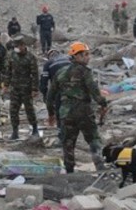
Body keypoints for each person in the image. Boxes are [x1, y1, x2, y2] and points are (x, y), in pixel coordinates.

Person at [47, 42, 108, 173]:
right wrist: (103, 104)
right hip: (83, 111)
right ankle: (100, 168)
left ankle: (69, 171)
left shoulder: (60, 73)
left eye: (88, 54)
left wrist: (51, 114)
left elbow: (50, 96)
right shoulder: (85, 72)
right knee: (93, 139)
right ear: (76, 56)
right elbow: (94, 92)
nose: (88, 57)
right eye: (85, 55)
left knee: (68, 143)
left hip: (65, 113)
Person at [3, 35, 39, 140]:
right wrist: (6, 85)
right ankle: (15, 132)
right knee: (13, 110)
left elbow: (35, 74)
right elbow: (8, 71)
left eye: (19, 46)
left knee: (29, 109)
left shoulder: (30, 57)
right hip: (15, 88)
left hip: (26, 88)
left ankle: (35, 129)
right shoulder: (12, 56)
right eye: (16, 46)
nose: (17, 48)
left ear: (23, 45)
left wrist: (34, 89)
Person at [39, 49, 71, 139]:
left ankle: (61, 136)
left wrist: (46, 96)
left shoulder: (48, 63)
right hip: (74, 87)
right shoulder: (69, 58)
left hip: (59, 89)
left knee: (59, 112)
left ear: (49, 56)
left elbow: (43, 83)